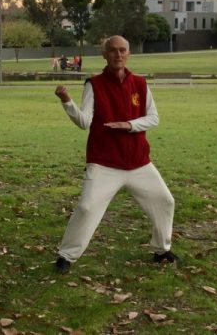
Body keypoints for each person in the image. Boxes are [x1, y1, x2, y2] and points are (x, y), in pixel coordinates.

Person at [53, 35, 177, 273]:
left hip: (138, 163)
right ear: (104, 54)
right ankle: (66, 256)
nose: (118, 55)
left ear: (128, 54)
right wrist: (67, 102)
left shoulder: (140, 83)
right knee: (88, 207)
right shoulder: (94, 84)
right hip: (104, 163)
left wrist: (128, 125)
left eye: (122, 50)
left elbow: (153, 118)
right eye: (113, 51)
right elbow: (84, 122)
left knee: (165, 201)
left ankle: (162, 251)